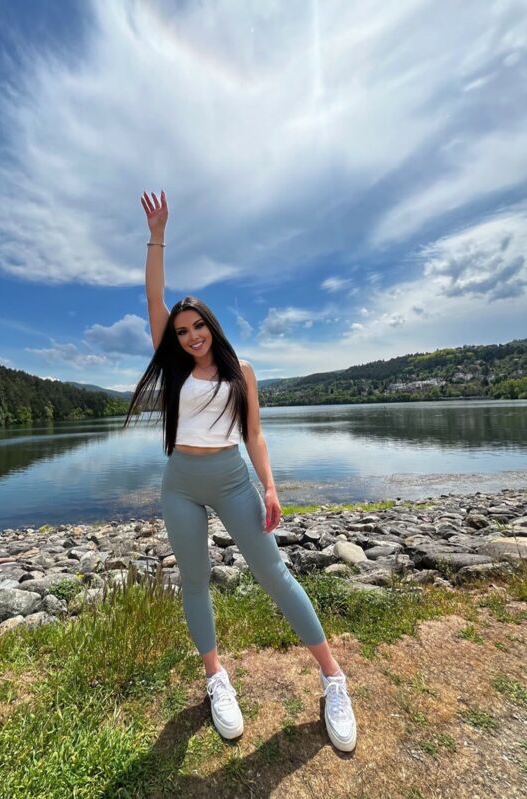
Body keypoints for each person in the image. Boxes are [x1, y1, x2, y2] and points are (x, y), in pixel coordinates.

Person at [123, 190, 357, 752]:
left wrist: (270, 486)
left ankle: (333, 678)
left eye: (196, 327)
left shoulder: (241, 371)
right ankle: (216, 677)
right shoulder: (173, 367)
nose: (190, 337)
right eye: (182, 331)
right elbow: (153, 296)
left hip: (232, 479)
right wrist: (157, 237)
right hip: (181, 483)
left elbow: (254, 435)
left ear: (211, 325)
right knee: (195, 581)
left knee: (275, 574)